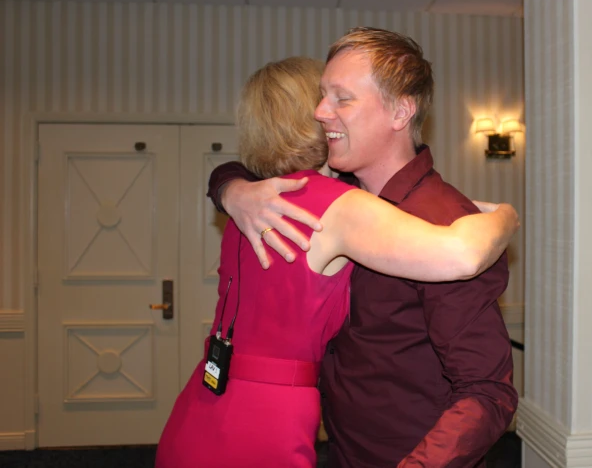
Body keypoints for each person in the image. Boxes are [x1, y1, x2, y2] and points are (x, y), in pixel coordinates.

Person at [155, 56, 518, 468]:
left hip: (207, 402)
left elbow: (485, 388)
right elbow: (464, 252)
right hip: (280, 418)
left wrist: (230, 189)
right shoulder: (316, 203)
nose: (325, 111)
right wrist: (507, 215)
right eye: (323, 100)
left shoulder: (260, 201)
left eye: (339, 100)